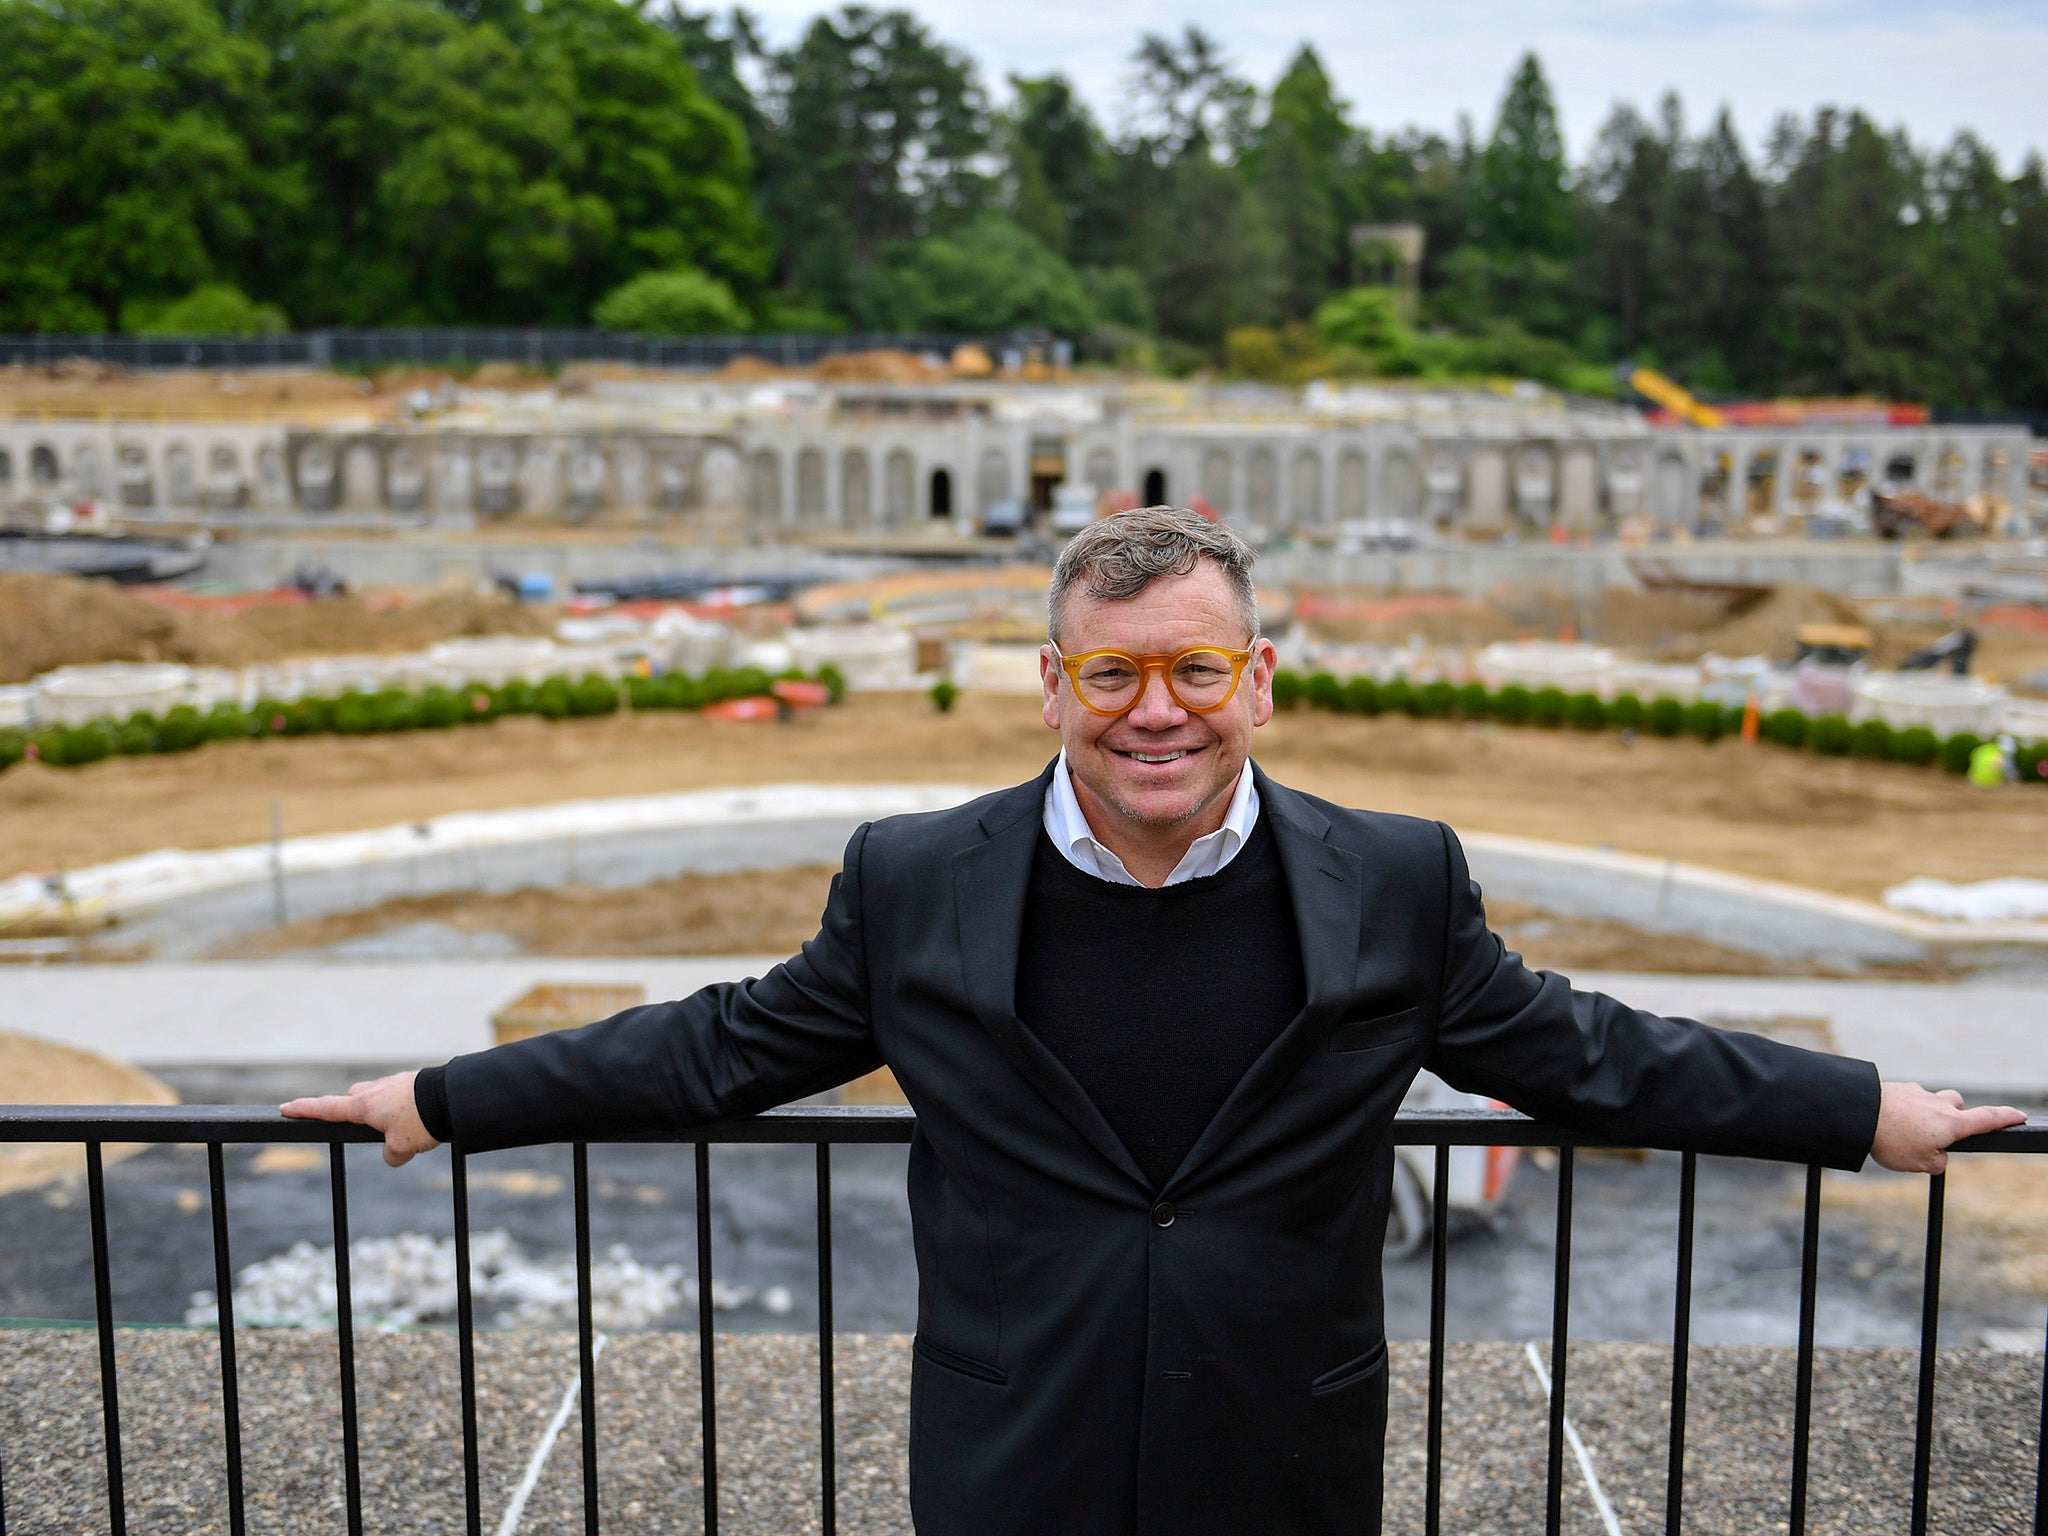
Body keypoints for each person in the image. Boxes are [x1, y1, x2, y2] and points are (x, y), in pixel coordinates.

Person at [285, 506, 2021, 1536]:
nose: (1156, 711)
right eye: (1111, 672)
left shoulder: (1398, 879)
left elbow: (1592, 1053)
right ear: (1052, 684)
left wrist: (1861, 1110)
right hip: (1013, 1448)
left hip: (1281, 1444)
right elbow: (718, 1047)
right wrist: (445, 1096)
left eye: (1198, 669)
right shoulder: (914, 877)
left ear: (1261, 677)